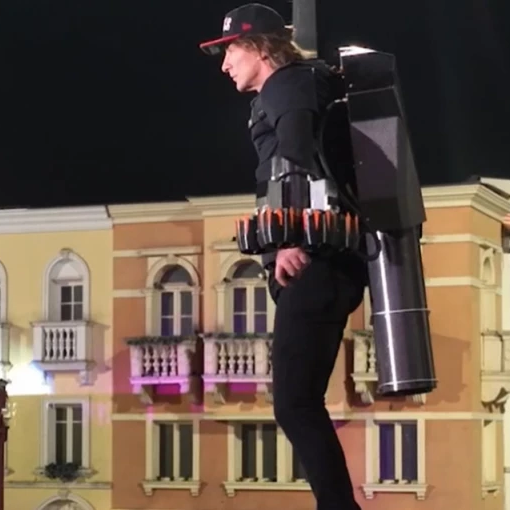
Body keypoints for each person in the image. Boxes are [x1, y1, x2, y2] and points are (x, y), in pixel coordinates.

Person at [200, 4, 367, 510]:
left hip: (316, 259)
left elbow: (295, 159)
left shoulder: (289, 86)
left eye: (230, 51)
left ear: (259, 47)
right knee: (298, 401)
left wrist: (290, 240)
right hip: (326, 259)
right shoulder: (297, 87)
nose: (224, 64)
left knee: (295, 403)